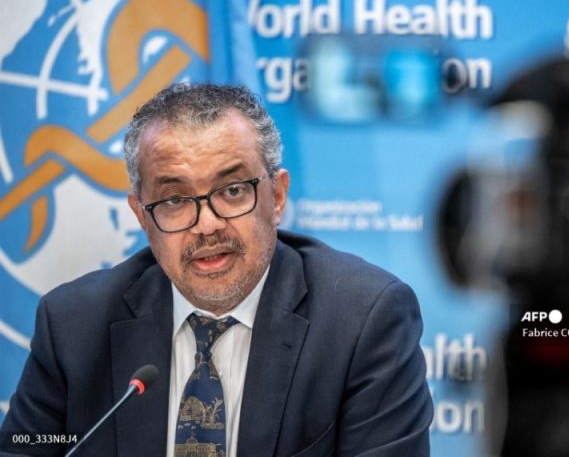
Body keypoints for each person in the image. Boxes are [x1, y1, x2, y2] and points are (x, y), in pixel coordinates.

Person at [0, 83, 433, 456]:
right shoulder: (74, 326)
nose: (207, 225)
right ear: (142, 217)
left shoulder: (362, 322)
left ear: (277, 197)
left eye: (232, 190)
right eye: (174, 200)